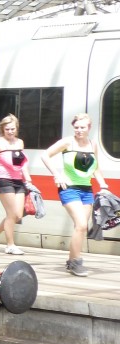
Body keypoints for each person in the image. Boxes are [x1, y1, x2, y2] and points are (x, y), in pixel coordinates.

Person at [44, 113, 108, 277]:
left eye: (83, 127)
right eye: (76, 127)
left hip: (86, 190)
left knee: (80, 228)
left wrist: (103, 184)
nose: (79, 130)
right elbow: (46, 155)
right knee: (81, 225)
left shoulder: (92, 144)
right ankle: (76, 262)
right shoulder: (68, 142)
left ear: (89, 128)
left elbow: (95, 167)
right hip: (69, 188)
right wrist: (57, 174)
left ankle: (72, 261)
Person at [0, 114, 31, 255]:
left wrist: (27, 178)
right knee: (11, 214)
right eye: (7, 129)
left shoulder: (19, 142)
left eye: (12, 129)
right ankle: (10, 245)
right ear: (2, 129)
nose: (10, 132)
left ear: (16, 129)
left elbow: (22, 163)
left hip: (18, 181)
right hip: (3, 180)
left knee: (18, 215)